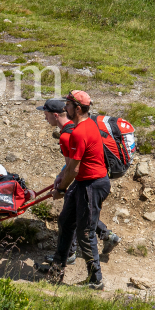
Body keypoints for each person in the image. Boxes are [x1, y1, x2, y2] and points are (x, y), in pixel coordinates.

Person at [41, 91, 112, 290]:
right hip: (84, 183)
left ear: (77, 109)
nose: (65, 108)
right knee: (65, 221)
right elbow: (73, 167)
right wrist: (63, 182)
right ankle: (56, 271)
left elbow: (74, 169)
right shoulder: (87, 125)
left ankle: (95, 280)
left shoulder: (80, 132)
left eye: (69, 105)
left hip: (92, 184)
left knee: (86, 231)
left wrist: (61, 189)